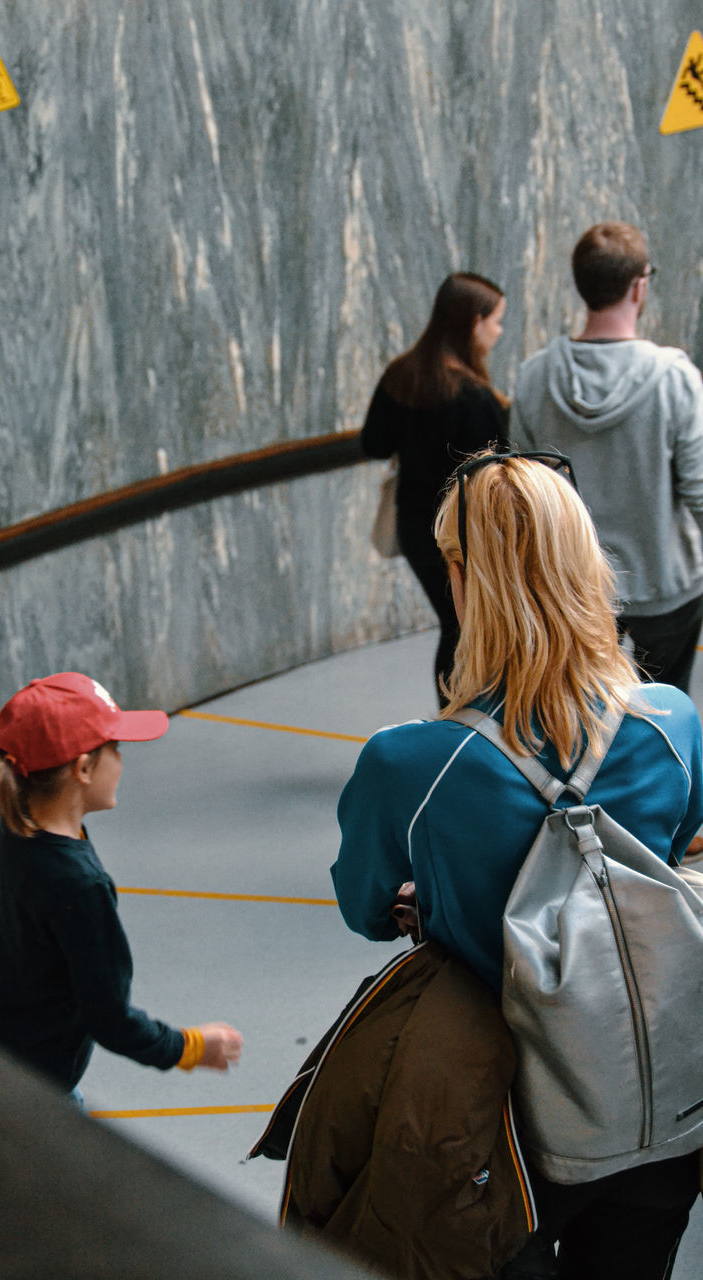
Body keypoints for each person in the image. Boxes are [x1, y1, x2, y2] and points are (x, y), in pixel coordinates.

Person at [331, 452, 703, 1278]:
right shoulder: (672, 723)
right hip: (657, 1101)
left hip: (501, 1117)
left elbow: (361, 906)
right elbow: (680, 848)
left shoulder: (408, 763)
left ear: (464, 580)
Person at [0, 671, 243, 1098]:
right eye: (114, 748)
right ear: (83, 767)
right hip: (33, 1090)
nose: (122, 759)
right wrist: (189, 1047)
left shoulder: (7, 812)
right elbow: (111, 1019)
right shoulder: (82, 887)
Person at [510, 220, 703, 692]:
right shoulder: (674, 378)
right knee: (663, 715)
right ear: (640, 286)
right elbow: (699, 490)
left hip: (574, 585)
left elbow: (521, 492)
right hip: (667, 585)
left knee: (579, 714)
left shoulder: (535, 377)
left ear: (582, 286)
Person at [361, 272, 510, 704]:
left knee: (454, 625)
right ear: (473, 322)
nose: (499, 333)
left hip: (415, 529)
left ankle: (454, 718)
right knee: (468, 628)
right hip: (466, 535)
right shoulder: (475, 397)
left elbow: (373, 444)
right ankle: (473, 720)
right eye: (497, 321)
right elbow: (498, 470)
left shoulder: (401, 375)